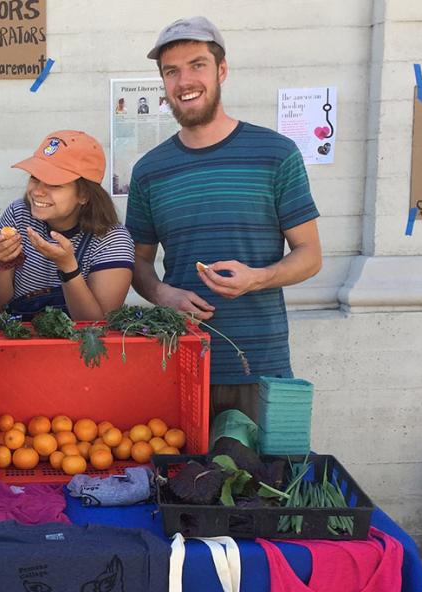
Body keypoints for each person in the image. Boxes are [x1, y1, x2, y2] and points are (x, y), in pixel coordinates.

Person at [127, 16, 322, 418]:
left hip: (261, 367)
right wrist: (163, 294)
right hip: (178, 361)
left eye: (197, 64)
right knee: (180, 480)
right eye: (171, 71)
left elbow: (310, 255)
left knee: (263, 477)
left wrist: (258, 278)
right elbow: (138, 262)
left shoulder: (275, 154)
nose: (184, 81)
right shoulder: (149, 170)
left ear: (222, 70)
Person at [0, 130, 133, 320]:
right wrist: (0, 262)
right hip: (22, 344)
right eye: (35, 178)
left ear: (84, 195)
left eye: (54, 184)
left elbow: (96, 326)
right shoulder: (19, 214)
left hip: (82, 347)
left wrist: (68, 268)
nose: (38, 192)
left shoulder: (112, 240)